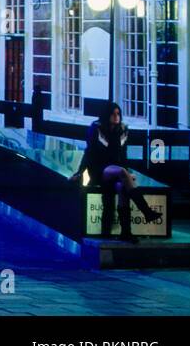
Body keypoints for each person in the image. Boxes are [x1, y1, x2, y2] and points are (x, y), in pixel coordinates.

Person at [70, 101, 163, 242]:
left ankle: (126, 232)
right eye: (113, 114)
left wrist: (126, 173)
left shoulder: (123, 129)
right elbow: (89, 153)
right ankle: (147, 211)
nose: (116, 117)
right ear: (106, 115)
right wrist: (79, 172)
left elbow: (123, 154)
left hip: (117, 169)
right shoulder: (96, 128)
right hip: (98, 169)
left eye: (118, 114)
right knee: (122, 173)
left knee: (122, 187)